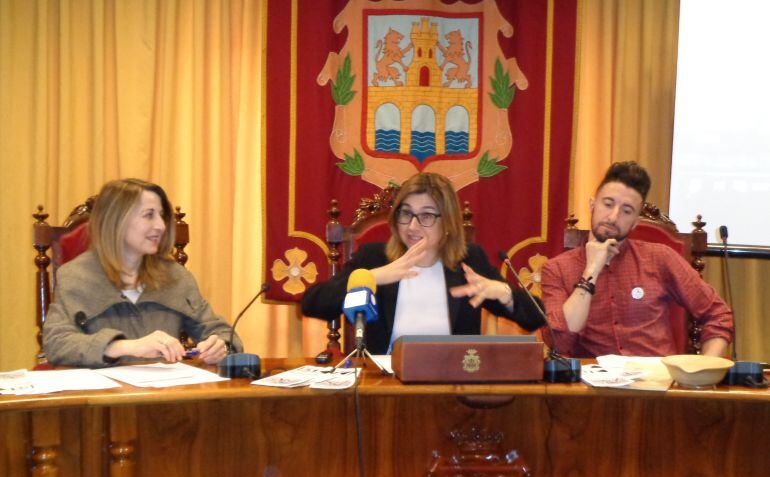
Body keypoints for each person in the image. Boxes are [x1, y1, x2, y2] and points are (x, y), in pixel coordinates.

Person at [301, 172, 546, 354]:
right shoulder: (374, 258)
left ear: (448, 223)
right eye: (406, 213)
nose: (412, 226)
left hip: (452, 386)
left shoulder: (469, 261)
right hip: (384, 387)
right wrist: (373, 277)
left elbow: (537, 318)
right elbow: (313, 304)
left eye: (426, 215)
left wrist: (504, 293)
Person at [540, 161, 733, 358]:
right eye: (607, 204)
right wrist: (591, 271)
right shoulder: (557, 269)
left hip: (656, 382)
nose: (613, 217)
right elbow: (560, 342)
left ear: (635, 223)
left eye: (626, 211)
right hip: (592, 384)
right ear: (592, 205)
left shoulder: (659, 258)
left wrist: (704, 372)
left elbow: (717, 315)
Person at [43, 178, 242, 367]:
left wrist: (221, 346)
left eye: (161, 216)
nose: (161, 226)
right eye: (149, 215)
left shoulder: (175, 276)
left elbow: (221, 332)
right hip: (102, 397)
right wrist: (123, 346)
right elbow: (56, 342)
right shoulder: (75, 276)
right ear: (116, 221)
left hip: (164, 396)